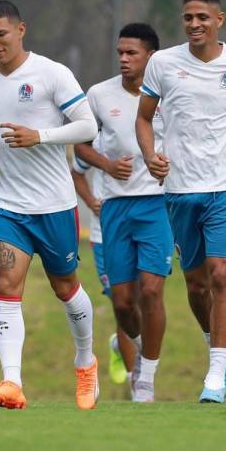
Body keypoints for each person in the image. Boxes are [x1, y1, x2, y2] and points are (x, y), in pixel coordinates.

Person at [136, 0, 226, 404]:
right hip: (179, 187)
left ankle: (216, 371)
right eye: (187, 18)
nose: (194, 24)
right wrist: (150, 156)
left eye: (202, 17)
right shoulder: (162, 63)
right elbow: (144, 119)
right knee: (197, 285)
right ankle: (215, 342)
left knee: (221, 274)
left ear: (220, 20)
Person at [0, 0, 99, 410]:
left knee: (66, 288)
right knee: (7, 286)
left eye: (1, 34)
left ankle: (85, 362)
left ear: (21, 30)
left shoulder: (51, 74)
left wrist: (39, 136)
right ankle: (12, 382)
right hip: (7, 206)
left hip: (55, 205)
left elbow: (88, 126)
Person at [77, 23, 174, 403]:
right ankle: (129, 349)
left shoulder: (171, 95)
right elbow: (81, 147)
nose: (123, 59)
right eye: (120, 53)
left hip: (158, 205)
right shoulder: (100, 95)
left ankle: (146, 377)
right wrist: (105, 164)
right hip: (115, 208)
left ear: (151, 57)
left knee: (151, 292)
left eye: (131, 53)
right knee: (122, 302)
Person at [72, 145, 135, 386]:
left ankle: (120, 345)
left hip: (142, 230)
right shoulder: (97, 141)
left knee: (143, 300)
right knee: (124, 303)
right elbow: (76, 172)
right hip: (104, 236)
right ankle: (135, 382)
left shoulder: (151, 132)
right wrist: (91, 201)